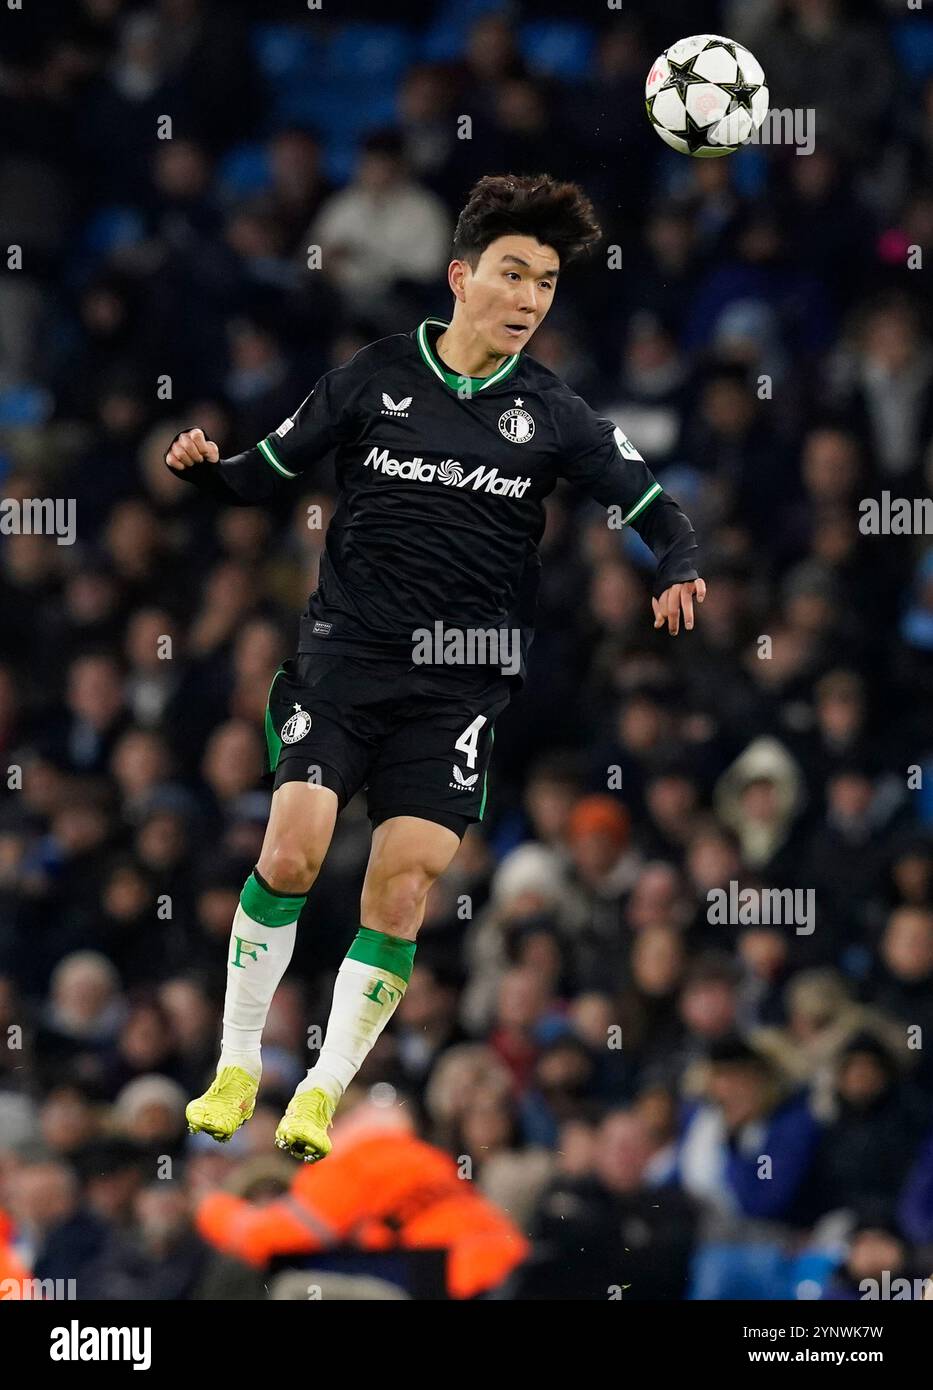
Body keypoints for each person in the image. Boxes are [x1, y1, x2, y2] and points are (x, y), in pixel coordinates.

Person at [164, 173, 705, 1162]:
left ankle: (322, 1091)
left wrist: (677, 563)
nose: (530, 299)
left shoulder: (553, 412)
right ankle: (238, 1061)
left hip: (457, 685)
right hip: (343, 661)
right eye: (511, 274)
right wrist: (207, 469)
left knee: (401, 890)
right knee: (292, 849)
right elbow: (264, 473)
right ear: (460, 276)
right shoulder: (373, 377)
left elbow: (650, 500)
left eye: (544, 282)